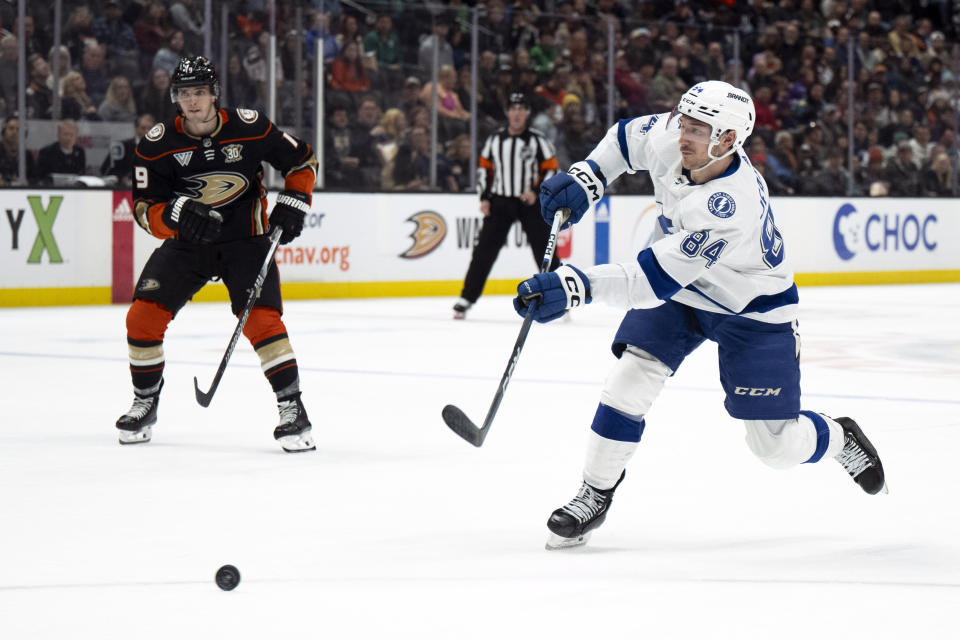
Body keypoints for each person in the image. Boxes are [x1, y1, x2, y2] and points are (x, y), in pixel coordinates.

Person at [514, 80, 887, 550]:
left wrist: (576, 286)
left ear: (728, 140)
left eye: (697, 129)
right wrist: (588, 178)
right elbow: (627, 139)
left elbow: (651, 281)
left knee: (774, 448)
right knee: (630, 378)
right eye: (684, 122)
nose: (682, 135)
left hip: (753, 308)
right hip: (686, 293)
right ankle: (595, 492)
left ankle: (838, 438)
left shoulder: (729, 206)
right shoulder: (676, 137)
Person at [115, 56, 319, 453]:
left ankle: (292, 408)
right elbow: (143, 209)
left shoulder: (249, 126)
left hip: (246, 242)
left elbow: (303, 159)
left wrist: (296, 199)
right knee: (141, 317)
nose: (192, 101)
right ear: (176, 97)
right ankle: (145, 402)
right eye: (185, 93)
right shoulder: (157, 145)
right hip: (188, 244)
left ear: (214, 94)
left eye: (200, 92)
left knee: (262, 321)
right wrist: (173, 215)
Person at [452, 91, 559, 319]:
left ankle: (561, 296)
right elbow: (485, 170)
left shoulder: (538, 140)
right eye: (513, 108)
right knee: (483, 252)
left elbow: (551, 168)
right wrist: (484, 198)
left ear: (527, 113)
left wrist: (537, 193)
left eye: (521, 108)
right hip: (500, 202)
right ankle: (467, 297)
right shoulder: (494, 140)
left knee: (545, 250)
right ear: (507, 112)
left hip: (529, 202)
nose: (517, 113)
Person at [101, 113, 156, 187]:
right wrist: (122, 178)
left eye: (150, 128)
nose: (147, 131)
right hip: (124, 190)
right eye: (143, 128)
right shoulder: (122, 147)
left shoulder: (160, 149)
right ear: (136, 128)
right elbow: (106, 169)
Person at [35, 119, 86, 183]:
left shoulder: (80, 152)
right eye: (65, 134)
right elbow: (40, 177)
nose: (68, 138)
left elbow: (81, 175)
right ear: (58, 135)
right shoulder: (47, 152)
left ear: (76, 137)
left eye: (71, 135)